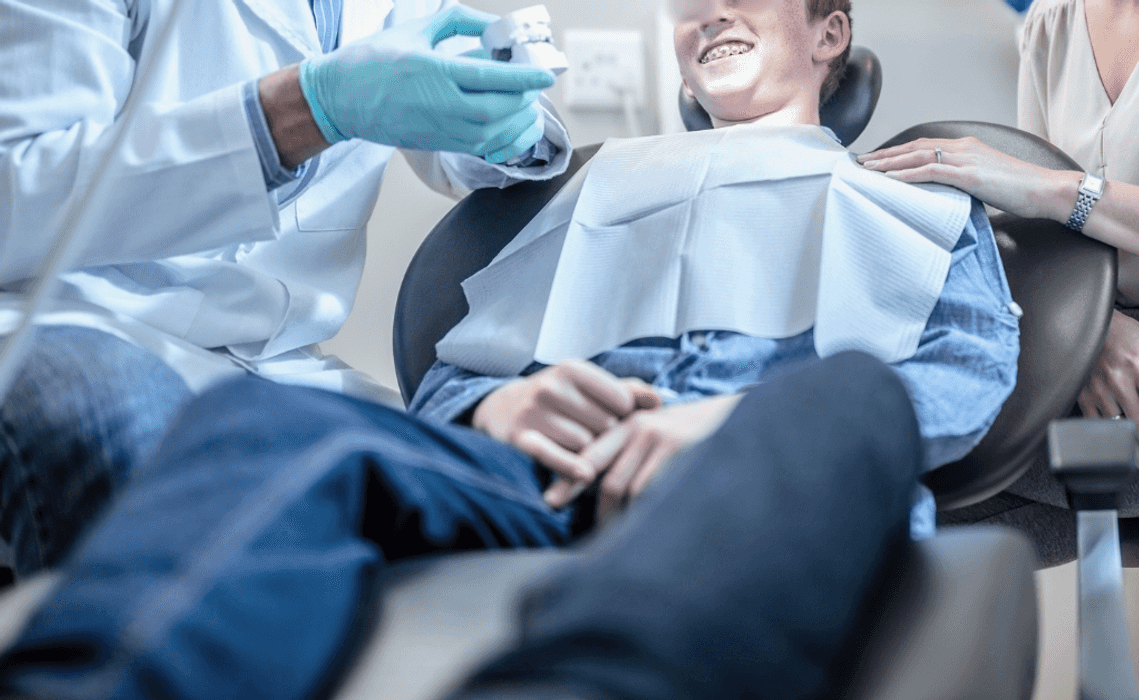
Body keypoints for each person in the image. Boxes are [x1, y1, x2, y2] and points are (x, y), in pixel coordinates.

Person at [0, 0, 1021, 698]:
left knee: (848, 394)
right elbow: (459, 367)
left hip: (766, 440)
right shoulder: (595, 184)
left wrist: (734, 418)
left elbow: (964, 365)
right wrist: (489, 409)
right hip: (539, 457)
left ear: (830, 31)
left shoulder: (911, 197)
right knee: (270, 418)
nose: (707, 8)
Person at [0, 0, 571, 574]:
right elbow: (13, 193)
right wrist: (299, 112)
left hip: (277, 367)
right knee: (122, 434)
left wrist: (503, 118)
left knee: (512, 488)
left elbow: (448, 130)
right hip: (70, 324)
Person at [856, 0, 1139, 566]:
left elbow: (1043, 189)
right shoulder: (1052, 20)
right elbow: (1045, 231)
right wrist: (1095, 327)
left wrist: (1062, 191)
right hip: (1108, 335)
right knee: (889, 516)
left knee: (884, 490)